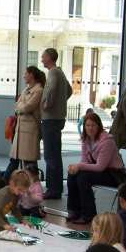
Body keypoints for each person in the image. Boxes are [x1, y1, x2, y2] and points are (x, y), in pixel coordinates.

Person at [66, 112, 125, 224]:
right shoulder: (86, 139)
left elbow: (100, 167)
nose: (90, 128)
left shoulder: (107, 141)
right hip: (102, 172)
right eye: (87, 125)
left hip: (115, 174)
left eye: (93, 125)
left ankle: (89, 215)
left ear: (99, 126)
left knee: (83, 177)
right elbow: (84, 161)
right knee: (73, 174)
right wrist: (75, 168)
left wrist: (79, 166)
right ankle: (74, 211)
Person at [40, 48, 72, 199]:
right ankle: (55, 188)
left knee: (50, 155)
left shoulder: (53, 72)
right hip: (57, 118)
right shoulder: (60, 72)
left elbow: (51, 90)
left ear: (49, 58)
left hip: (51, 119)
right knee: (54, 154)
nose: (42, 60)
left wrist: (47, 104)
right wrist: (60, 102)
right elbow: (70, 90)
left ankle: (53, 189)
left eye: (43, 57)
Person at [5, 66, 45, 179]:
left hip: (30, 131)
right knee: (17, 161)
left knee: (29, 163)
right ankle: (10, 184)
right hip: (20, 131)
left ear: (31, 75)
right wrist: (21, 107)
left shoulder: (39, 90)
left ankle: (33, 188)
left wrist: (21, 107)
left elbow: (27, 107)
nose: (24, 76)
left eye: (26, 73)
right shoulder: (26, 89)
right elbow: (18, 105)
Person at [0, 170, 30, 240]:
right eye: (20, 190)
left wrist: (22, 220)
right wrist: (5, 225)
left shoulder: (16, 194)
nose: (21, 193)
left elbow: (14, 209)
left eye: (23, 191)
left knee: (10, 231)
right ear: (12, 184)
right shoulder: (4, 195)